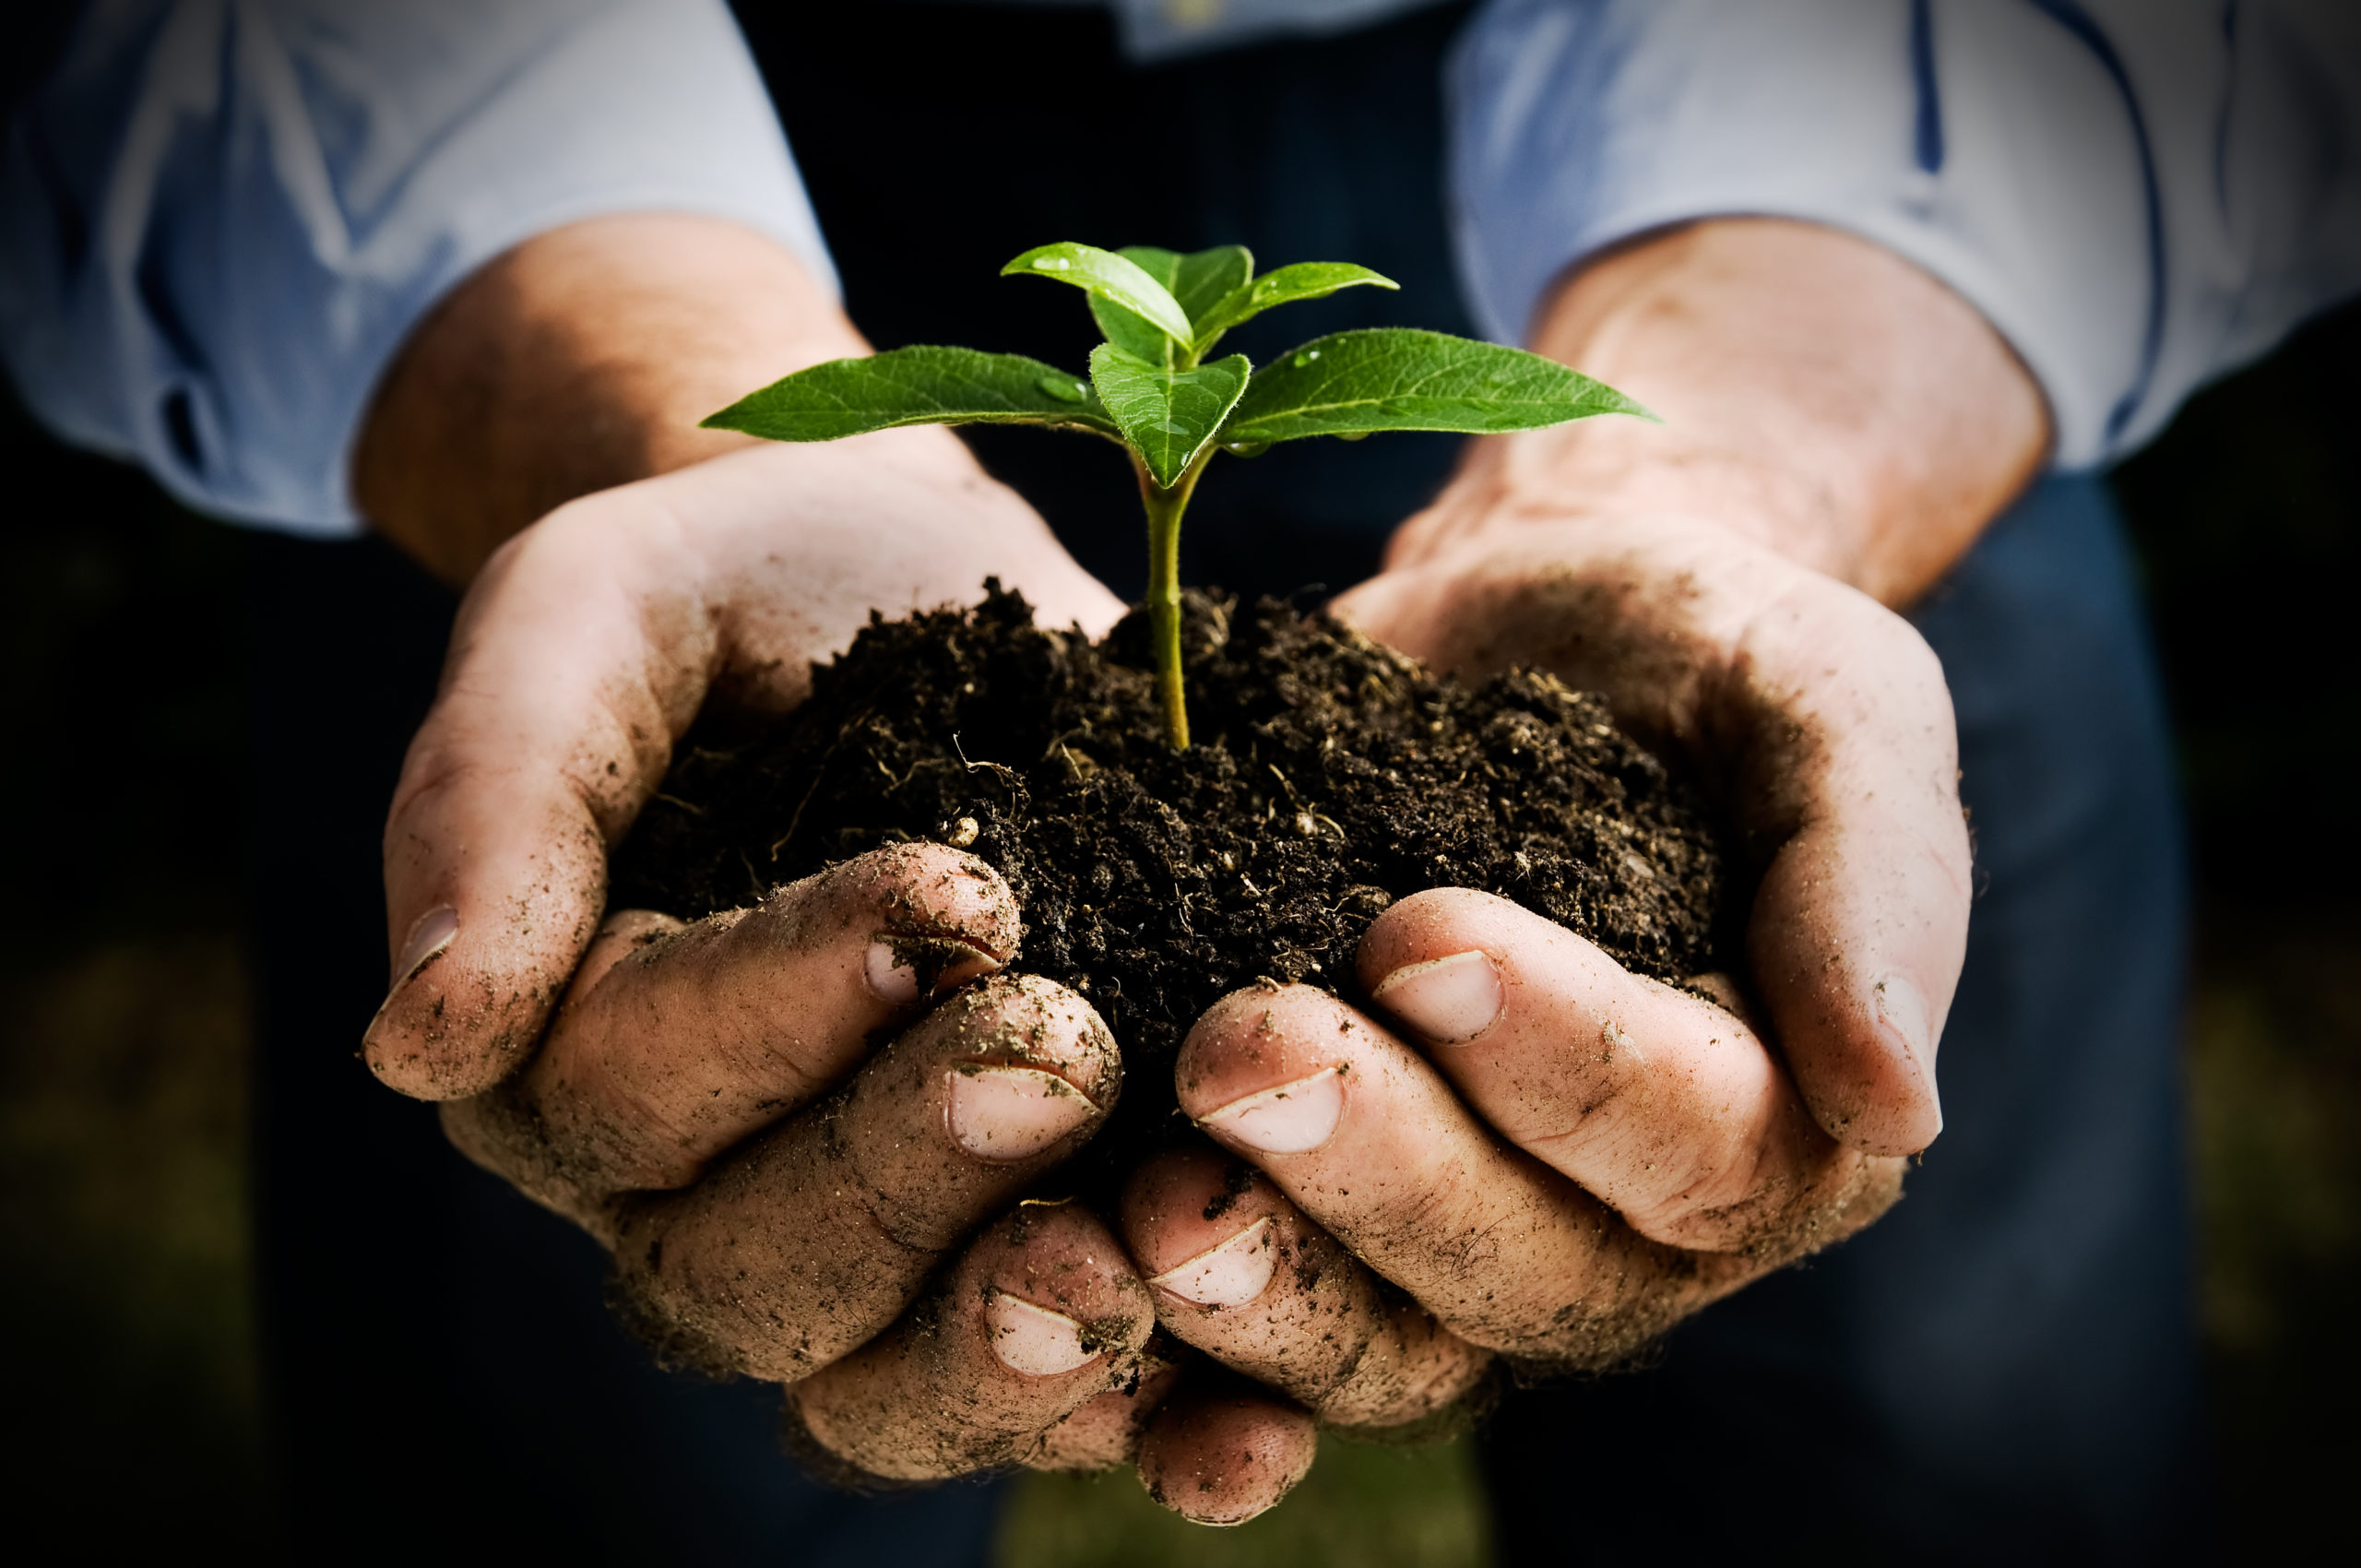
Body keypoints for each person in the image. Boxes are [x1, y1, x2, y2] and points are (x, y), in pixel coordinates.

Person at [6, 0, 2356, 1560]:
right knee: (614, 1454)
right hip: (600, 176)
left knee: (1922, 1456)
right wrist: (634, 406)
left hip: (1781, 203)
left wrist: (1716, 475)